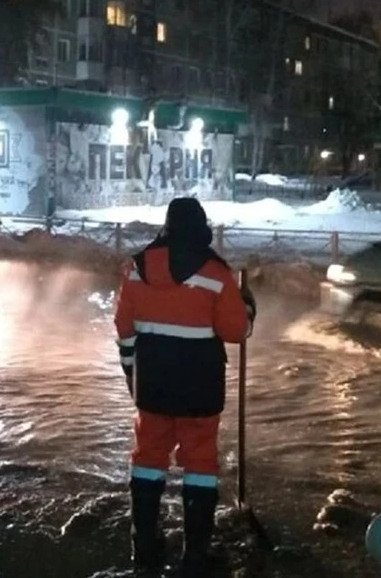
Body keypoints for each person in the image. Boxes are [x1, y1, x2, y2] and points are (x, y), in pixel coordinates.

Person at [114, 197, 256, 576]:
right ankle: (195, 555)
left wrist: (132, 376)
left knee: (147, 458)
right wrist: (248, 309)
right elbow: (235, 330)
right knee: (200, 463)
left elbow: (124, 330)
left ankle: (143, 546)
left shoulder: (136, 268)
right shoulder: (215, 273)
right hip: (200, 388)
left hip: (153, 388)